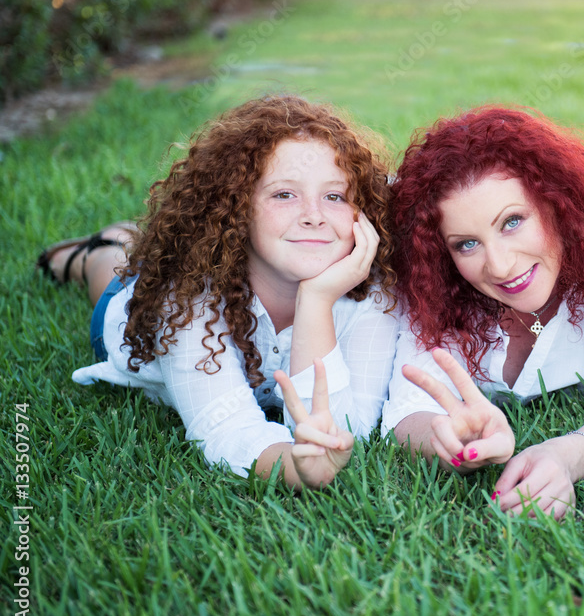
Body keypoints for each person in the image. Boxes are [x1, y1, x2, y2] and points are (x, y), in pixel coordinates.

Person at [37, 95, 399, 489]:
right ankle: (92, 252)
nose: (314, 215)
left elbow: (346, 427)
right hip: (131, 315)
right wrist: (296, 470)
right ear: (238, 208)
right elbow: (226, 429)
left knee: (131, 251)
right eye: (284, 194)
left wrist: (316, 301)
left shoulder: (377, 294)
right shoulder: (186, 301)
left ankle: (122, 237)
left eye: (335, 196)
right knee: (115, 269)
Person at [383, 106, 584, 518]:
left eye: (512, 222)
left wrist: (565, 456)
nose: (500, 266)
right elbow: (408, 410)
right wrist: (454, 444)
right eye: (467, 244)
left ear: (558, 202)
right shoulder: (434, 283)